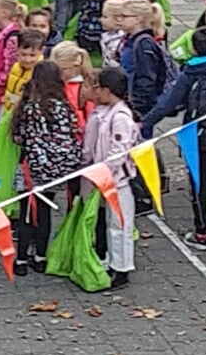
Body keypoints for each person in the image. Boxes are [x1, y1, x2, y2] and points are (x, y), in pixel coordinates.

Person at [139, 26, 206, 249]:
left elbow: (168, 102)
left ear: (192, 48)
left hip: (194, 136)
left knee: (198, 182)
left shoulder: (188, 74)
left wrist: (145, 122)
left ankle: (201, 232)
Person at [10, 61, 82, 274]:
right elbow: (74, 130)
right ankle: (40, 256)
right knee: (44, 212)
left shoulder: (29, 107)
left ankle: (21, 258)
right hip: (56, 169)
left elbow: (18, 137)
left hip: (31, 168)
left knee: (25, 213)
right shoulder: (64, 106)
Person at [82, 68, 139, 286]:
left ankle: (122, 268)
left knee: (119, 224)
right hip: (98, 178)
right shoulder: (102, 112)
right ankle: (105, 259)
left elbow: (119, 151)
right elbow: (91, 143)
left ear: (106, 90)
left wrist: (102, 171)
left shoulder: (121, 117)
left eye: (97, 87)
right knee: (101, 222)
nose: (94, 92)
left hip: (116, 181)